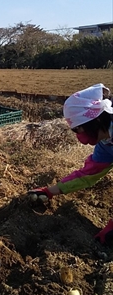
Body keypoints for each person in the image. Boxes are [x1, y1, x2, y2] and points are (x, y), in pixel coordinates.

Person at [28, 83, 113, 245]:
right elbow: (87, 175)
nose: (79, 136)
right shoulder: (106, 144)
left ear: (94, 121)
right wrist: (49, 191)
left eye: (78, 130)